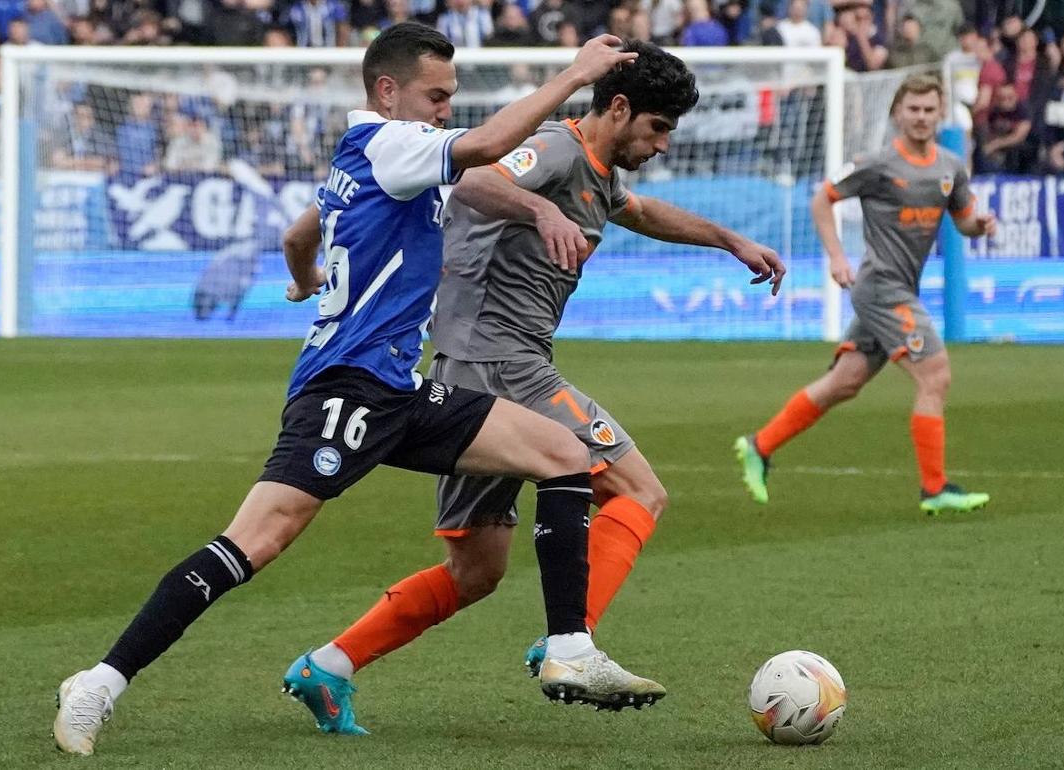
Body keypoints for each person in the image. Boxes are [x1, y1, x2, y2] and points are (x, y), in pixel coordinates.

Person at [52, 24, 654, 757]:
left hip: (396, 389)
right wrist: (573, 73)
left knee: (562, 453)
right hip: (345, 391)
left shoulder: (369, 158)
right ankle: (100, 681)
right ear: (387, 91)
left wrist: (308, 283)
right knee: (255, 542)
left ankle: (569, 644)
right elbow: (488, 146)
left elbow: (298, 237)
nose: (443, 110)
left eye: (450, 98)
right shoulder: (388, 144)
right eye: (435, 97)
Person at [317, 41, 780, 680]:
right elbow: (475, 180)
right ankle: (571, 644)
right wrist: (538, 207)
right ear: (618, 108)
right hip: (502, 364)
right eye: (658, 128)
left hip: (477, 366)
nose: (664, 145)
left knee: (477, 571)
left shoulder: (599, 172)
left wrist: (730, 240)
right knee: (640, 489)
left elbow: (640, 212)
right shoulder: (557, 149)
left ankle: (330, 665)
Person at [735, 73, 997, 516]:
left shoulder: (950, 167)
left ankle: (758, 446)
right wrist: (837, 257)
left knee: (844, 383)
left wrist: (981, 225)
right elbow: (823, 198)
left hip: (896, 289)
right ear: (897, 113)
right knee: (935, 376)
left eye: (929, 109)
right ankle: (935, 490)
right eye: (912, 109)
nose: (921, 117)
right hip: (881, 289)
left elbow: (965, 221)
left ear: (940, 113)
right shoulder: (876, 164)